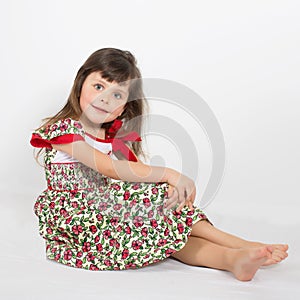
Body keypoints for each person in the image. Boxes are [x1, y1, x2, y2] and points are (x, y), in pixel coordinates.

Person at [30, 48, 288, 281]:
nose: (105, 99)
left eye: (117, 94)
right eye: (98, 87)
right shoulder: (63, 131)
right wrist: (170, 175)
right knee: (159, 200)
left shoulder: (114, 138)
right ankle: (240, 243)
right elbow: (112, 169)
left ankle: (233, 259)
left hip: (107, 210)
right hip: (81, 220)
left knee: (167, 235)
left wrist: (165, 187)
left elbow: (133, 174)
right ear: (80, 84)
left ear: (122, 108)